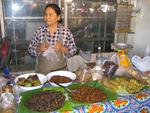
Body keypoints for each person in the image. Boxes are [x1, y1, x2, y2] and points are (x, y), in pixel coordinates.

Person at [28, 4, 77, 74]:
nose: (47, 17)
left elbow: (73, 50)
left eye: (50, 14)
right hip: (43, 74)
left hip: (61, 74)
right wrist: (38, 48)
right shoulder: (39, 31)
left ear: (58, 17)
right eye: (45, 14)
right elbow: (30, 50)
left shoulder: (65, 32)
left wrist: (62, 48)